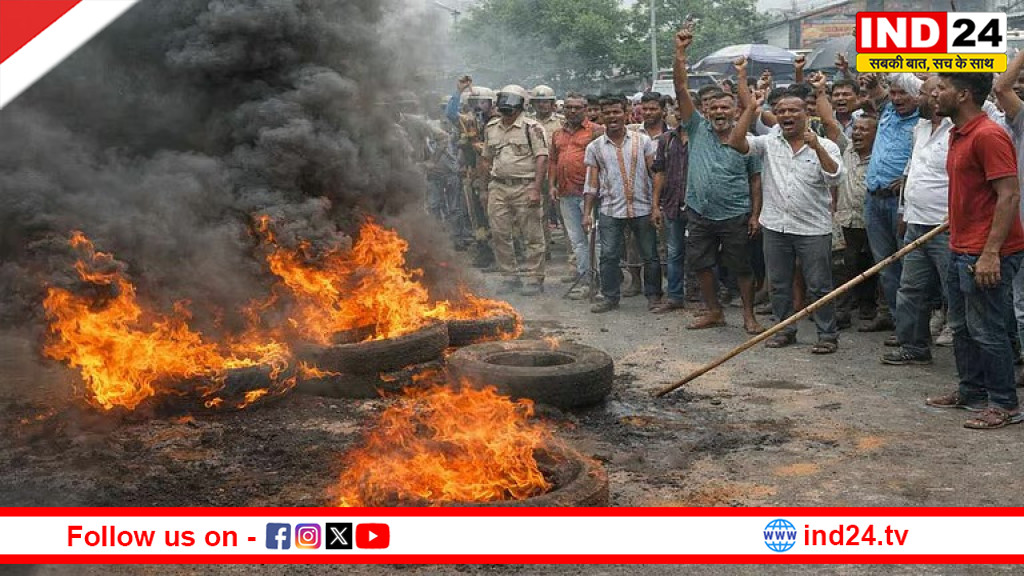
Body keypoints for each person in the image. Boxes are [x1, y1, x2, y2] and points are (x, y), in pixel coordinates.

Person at [925, 72, 1024, 429]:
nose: (934, 94)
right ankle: (972, 391)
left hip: (986, 252)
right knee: (962, 326)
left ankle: (1004, 404)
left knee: (988, 330)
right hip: (961, 247)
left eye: (942, 89)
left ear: (964, 94)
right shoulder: (957, 133)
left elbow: (1009, 195)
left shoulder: (989, 135)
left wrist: (990, 252)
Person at [727, 83, 843, 353]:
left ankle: (827, 336)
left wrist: (817, 149)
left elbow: (836, 176)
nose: (787, 115)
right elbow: (735, 142)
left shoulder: (825, 144)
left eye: (793, 110)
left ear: (806, 113)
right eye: (781, 111)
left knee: (820, 285)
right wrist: (751, 110)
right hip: (776, 226)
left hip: (813, 228)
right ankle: (784, 330)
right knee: (779, 284)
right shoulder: (768, 143)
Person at [668, 34, 764, 334]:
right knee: (701, 265)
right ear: (706, 112)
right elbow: (681, 87)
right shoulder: (696, 128)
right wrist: (680, 53)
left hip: (735, 214)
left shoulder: (746, 142)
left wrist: (754, 214)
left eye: (726, 108)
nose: (720, 112)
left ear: (736, 111)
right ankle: (714, 312)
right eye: (715, 109)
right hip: (699, 211)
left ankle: (749, 315)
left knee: (742, 268)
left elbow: (755, 179)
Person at [881, 76, 952, 366]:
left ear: (936, 97)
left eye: (921, 93)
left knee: (956, 294)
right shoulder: (920, 129)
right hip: (916, 224)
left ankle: (978, 365)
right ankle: (914, 348)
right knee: (910, 289)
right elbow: (912, 171)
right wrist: (903, 211)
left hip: (947, 227)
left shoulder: (958, 130)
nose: (918, 99)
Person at [582, 94, 662, 313]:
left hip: (642, 206)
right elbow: (591, 184)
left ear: (625, 113)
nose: (612, 116)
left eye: (616, 111)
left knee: (650, 255)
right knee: (609, 255)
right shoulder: (595, 147)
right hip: (610, 209)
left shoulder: (643, 141)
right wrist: (587, 213)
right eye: (607, 113)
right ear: (601, 115)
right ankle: (610, 297)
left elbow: (655, 174)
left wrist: (655, 206)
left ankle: (654, 296)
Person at [861, 73, 921, 333]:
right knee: (885, 268)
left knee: (909, 270)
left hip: (902, 204)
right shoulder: (886, 114)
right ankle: (899, 324)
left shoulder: (926, 122)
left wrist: (907, 180)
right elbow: (875, 90)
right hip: (874, 200)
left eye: (903, 93)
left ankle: (913, 330)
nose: (896, 99)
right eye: (894, 93)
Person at [479, 84, 549, 295]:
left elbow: (542, 158)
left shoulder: (532, 127)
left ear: (521, 105)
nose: (506, 107)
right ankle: (510, 276)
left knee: (532, 235)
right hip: (498, 186)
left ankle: (534, 278)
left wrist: (536, 189)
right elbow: (485, 158)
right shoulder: (492, 127)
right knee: (500, 233)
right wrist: (484, 188)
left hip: (524, 186)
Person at [549, 92, 604, 296]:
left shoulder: (596, 131)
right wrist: (552, 185)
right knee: (576, 240)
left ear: (585, 109)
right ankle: (585, 279)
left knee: (594, 239)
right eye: (569, 107)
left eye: (577, 107)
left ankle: (599, 280)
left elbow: (602, 161)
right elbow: (553, 161)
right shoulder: (557, 134)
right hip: (566, 193)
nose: (572, 111)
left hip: (589, 193)